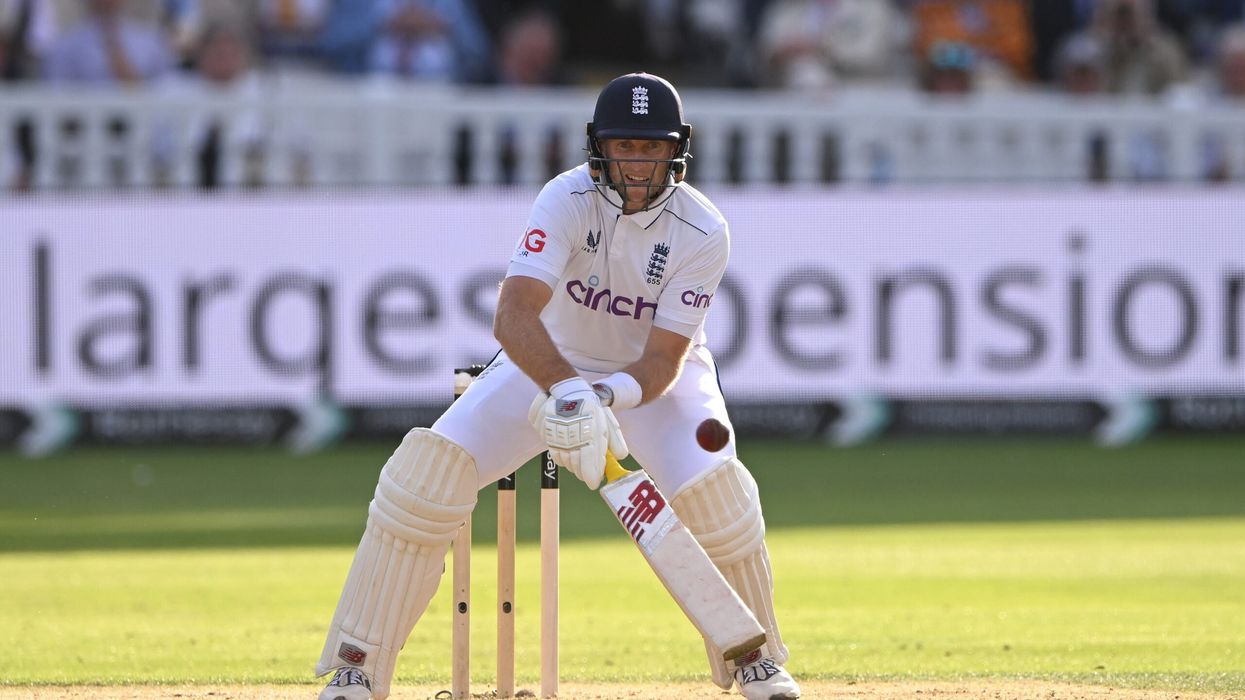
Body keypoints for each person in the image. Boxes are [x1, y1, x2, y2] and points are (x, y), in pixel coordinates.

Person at [314, 72, 801, 700]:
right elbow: (514, 315)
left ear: (676, 150)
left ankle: (756, 659)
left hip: (649, 388)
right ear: (599, 147)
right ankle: (358, 668)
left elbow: (662, 360)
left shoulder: (703, 230)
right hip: (544, 363)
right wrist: (569, 390)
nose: (637, 164)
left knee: (721, 502)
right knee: (420, 480)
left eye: (651, 149)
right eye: (625, 147)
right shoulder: (565, 199)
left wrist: (604, 399)